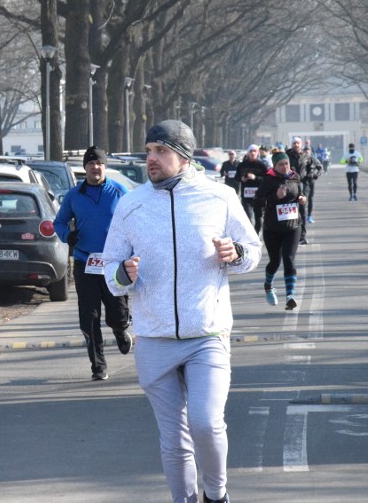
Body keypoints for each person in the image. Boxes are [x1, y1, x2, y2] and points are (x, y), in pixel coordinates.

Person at [102, 120, 262, 503]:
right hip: (154, 337)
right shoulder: (131, 204)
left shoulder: (219, 197)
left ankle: (217, 494)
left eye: (160, 151)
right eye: (148, 151)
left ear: (184, 156)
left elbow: (252, 251)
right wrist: (123, 274)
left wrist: (236, 254)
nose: (150, 159)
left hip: (206, 333)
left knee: (206, 423)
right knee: (173, 438)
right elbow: (109, 269)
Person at [54, 146, 132, 382]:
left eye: (99, 164)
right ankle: (98, 366)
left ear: (104, 166)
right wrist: (68, 236)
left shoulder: (119, 191)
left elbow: (135, 220)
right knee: (89, 317)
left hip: (113, 261)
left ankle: (120, 329)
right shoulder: (74, 195)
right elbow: (59, 222)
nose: (94, 168)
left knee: (116, 313)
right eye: (90, 164)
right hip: (84, 261)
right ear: (84, 168)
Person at [253, 152, 306, 310]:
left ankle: (290, 296)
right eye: (281, 164)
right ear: (274, 166)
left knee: (289, 259)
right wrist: (275, 196)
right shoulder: (268, 180)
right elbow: (257, 201)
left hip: (293, 226)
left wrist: (301, 199)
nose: (285, 167)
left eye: (286, 163)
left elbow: (299, 194)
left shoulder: (295, 177)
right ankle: (268, 286)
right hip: (273, 228)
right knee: (275, 262)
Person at [234, 144, 268, 234]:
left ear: (258, 153)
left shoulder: (262, 165)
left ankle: (257, 234)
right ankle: (250, 235)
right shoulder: (242, 165)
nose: (253, 153)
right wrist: (241, 178)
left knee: (258, 217)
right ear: (248, 153)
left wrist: (255, 177)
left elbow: (267, 179)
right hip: (246, 195)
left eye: (255, 151)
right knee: (248, 216)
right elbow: (236, 177)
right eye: (251, 151)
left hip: (258, 195)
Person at [285, 137, 309, 244]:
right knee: (289, 210)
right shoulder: (286, 156)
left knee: (303, 211)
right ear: (291, 144)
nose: (296, 145)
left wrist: (311, 175)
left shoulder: (306, 156)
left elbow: (316, 167)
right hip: (290, 185)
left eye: (298, 143)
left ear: (301, 144)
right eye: (294, 143)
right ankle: (289, 234)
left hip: (303, 185)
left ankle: (302, 236)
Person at [299, 146, 322, 223]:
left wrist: (315, 174)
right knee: (303, 199)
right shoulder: (301, 159)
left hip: (311, 181)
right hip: (302, 182)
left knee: (310, 199)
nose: (306, 152)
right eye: (305, 150)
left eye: (308, 150)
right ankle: (302, 216)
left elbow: (320, 168)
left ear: (311, 151)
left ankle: (309, 216)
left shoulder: (313, 159)